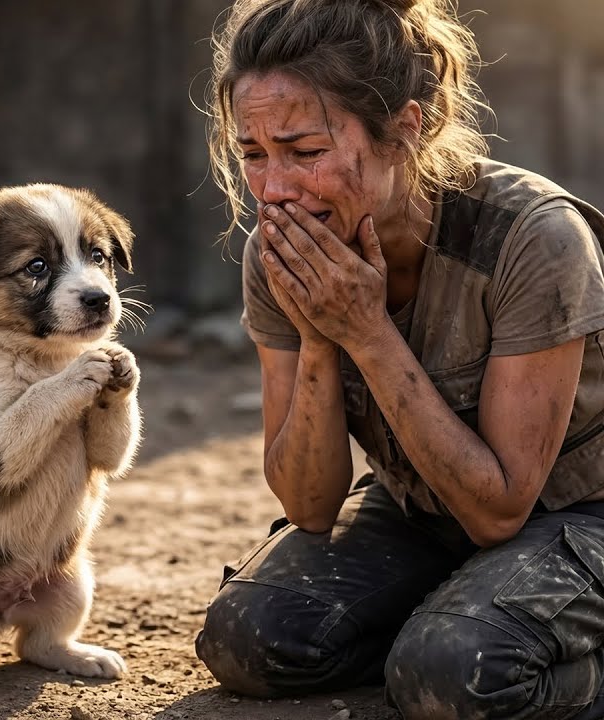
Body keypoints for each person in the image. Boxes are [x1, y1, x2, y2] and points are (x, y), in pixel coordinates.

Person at [192, 0, 604, 718]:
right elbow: (308, 506)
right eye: (253, 155)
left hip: (577, 512)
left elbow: (500, 511)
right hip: (426, 507)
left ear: (406, 129)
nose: (275, 190)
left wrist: (367, 331)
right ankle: (461, 620)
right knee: (249, 637)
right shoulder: (281, 249)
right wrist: (319, 336)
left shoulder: (533, 238)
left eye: (305, 152)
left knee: (454, 672)